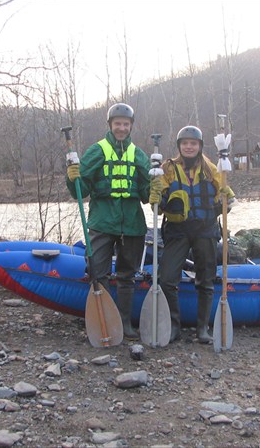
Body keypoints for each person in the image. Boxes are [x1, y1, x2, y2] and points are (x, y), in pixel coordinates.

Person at [66, 103, 151, 340]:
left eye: (126, 124)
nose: (121, 128)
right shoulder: (97, 151)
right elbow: (80, 190)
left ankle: (124, 323)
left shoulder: (139, 155)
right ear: (110, 125)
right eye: (118, 124)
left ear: (131, 126)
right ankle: (102, 318)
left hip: (132, 224)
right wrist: (72, 178)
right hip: (103, 221)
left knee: (127, 275)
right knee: (97, 271)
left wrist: (156, 190)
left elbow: (145, 194)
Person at [149, 125, 235, 343]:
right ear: (179, 146)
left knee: (205, 281)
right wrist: (155, 195)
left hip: (205, 229)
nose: (189, 147)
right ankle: (174, 327)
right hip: (177, 230)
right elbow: (158, 199)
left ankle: (202, 329)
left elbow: (223, 193)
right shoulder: (168, 168)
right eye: (185, 143)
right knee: (167, 279)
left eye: (193, 143)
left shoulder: (211, 169)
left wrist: (228, 198)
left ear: (199, 146)